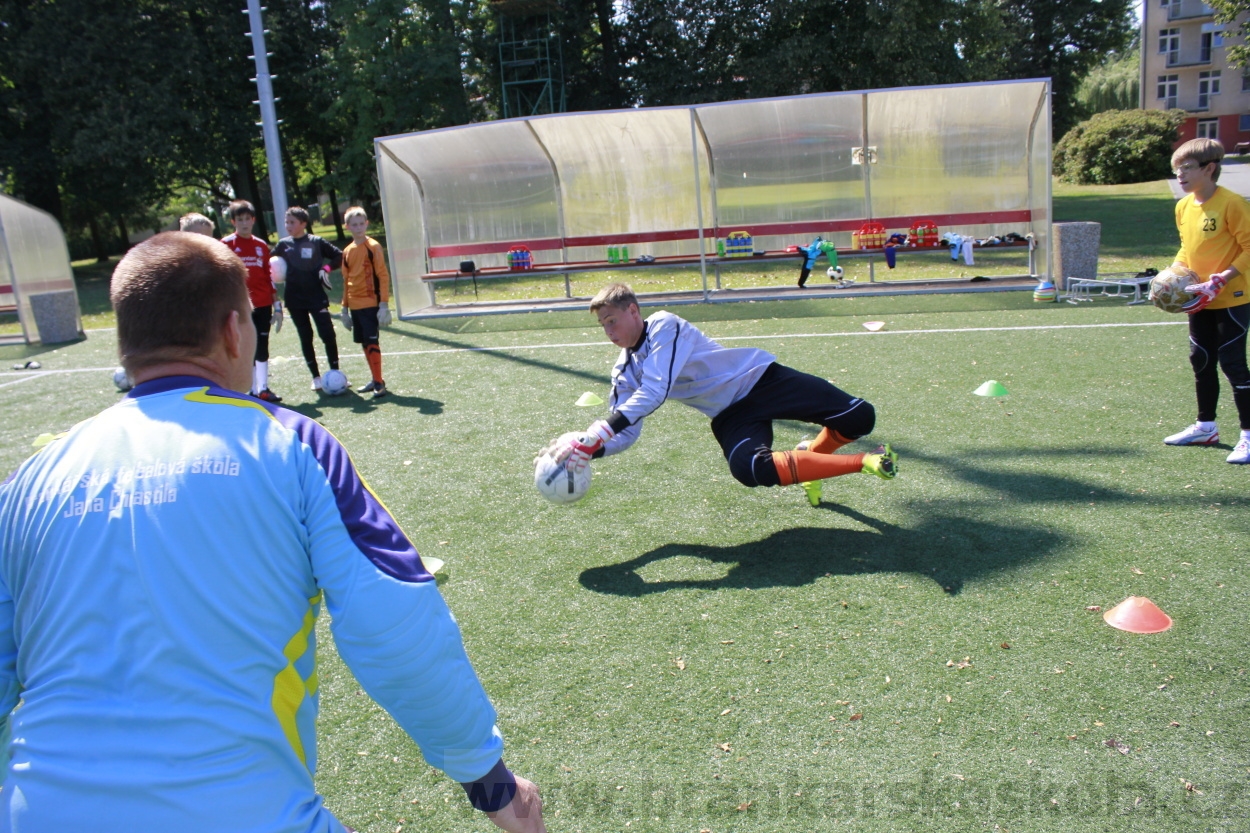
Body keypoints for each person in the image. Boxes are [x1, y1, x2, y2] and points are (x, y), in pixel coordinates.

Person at [0, 232, 547, 833]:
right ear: (235, 331)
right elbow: (396, 626)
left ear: (125, 344)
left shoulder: (30, 481)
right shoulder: (292, 446)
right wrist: (490, 783)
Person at [546, 282, 897, 507]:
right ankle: (864, 462)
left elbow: (655, 390)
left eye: (611, 320)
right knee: (749, 469)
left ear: (633, 311)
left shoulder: (664, 325)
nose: (608, 331)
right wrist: (594, 450)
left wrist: (595, 433)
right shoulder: (623, 372)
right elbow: (629, 430)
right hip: (732, 414)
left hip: (760, 378)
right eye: (602, 325)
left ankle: (813, 458)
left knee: (860, 416)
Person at [1162, 138, 1250, 464]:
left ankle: (1248, 436)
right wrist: (1174, 273)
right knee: (1200, 360)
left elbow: (1249, 248)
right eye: (1176, 169)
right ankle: (1205, 427)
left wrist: (1223, 278)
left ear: (1209, 168)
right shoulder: (1183, 207)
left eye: (1186, 168)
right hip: (1200, 299)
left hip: (1234, 297)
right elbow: (1188, 249)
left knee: (1233, 364)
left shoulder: (1233, 204)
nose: (1179, 175)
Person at [272, 206, 344, 393]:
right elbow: (270, 264)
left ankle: (335, 372)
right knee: (306, 337)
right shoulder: (282, 245)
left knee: (327, 334)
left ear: (303, 224)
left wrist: (326, 269)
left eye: (292, 222)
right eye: (286, 222)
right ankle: (316, 377)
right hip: (294, 300)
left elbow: (339, 256)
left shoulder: (316, 241)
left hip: (316, 297)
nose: (288, 225)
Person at [223, 199, 283, 402]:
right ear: (233, 222)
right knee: (244, 345)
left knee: (262, 344)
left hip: (263, 303)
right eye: (240, 219)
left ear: (253, 220)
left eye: (247, 219)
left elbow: (269, 276)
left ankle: (263, 388)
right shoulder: (226, 245)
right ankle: (249, 389)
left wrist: (276, 305)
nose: (244, 223)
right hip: (240, 304)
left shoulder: (261, 246)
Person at [339, 206, 392, 398]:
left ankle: (379, 382)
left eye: (362, 224)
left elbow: (383, 275)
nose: (359, 228)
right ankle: (374, 378)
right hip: (355, 305)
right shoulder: (347, 251)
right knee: (363, 343)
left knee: (372, 341)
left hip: (371, 303)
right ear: (347, 227)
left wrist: (384, 304)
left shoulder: (373, 247)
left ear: (366, 224)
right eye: (354, 225)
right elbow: (346, 281)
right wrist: (344, 309)